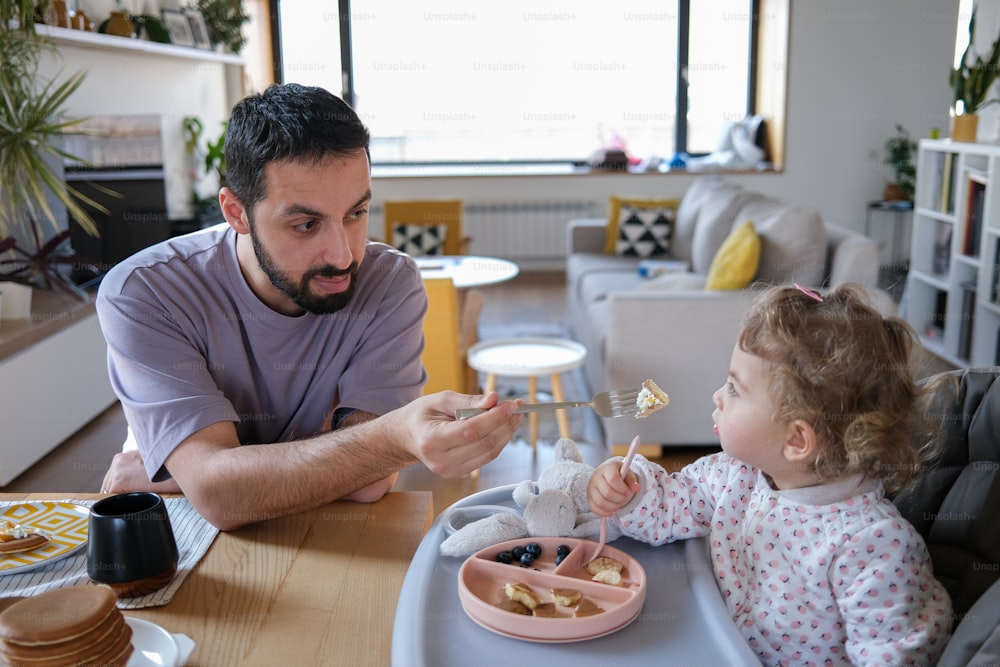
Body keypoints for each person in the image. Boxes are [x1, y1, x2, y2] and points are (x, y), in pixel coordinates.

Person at [97, 83, 522, 530]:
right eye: (305, 224)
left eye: (356, 214)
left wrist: (182, 474)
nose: (342, 257)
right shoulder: (144, 293)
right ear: (236, 212)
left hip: (315, 531)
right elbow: (221, 499)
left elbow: (369, 485)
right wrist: (388, 438)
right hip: (185, 530)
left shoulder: (389, 282)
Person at [588, 283, 953, 665]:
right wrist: (628, 490)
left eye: (734, 388)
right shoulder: (735, 477)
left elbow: (893, 656)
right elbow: (667, 507)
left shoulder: (873, 546)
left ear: (796, 439)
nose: (717, 395)